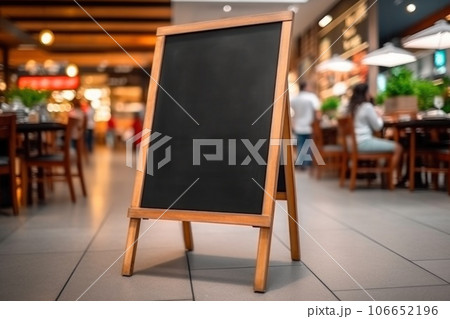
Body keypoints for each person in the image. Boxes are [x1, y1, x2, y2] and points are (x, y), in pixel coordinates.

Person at [346, 83, 402, 172]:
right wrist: (379, 116)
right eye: (368, 92)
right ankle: (388, 178)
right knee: (398, 147)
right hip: (363, 143)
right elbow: (378, 127)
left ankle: (384, 174)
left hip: (353, 144)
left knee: (386, 144)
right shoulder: (367, 106)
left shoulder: (353, 107)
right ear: (365, 93)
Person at [290, 82, 320, 168]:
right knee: (308, 144)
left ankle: (301, 163)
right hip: (309, 125)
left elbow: (292, 112)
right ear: (306, 87)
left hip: (298, 125)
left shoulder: (295, 99)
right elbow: (317, 112)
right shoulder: (311, 97)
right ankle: (307, 164)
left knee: (300, 144)